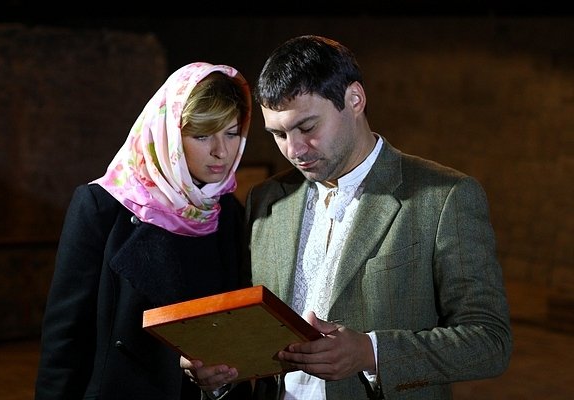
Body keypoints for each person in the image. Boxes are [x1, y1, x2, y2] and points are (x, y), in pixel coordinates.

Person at [243, 35, 512, 399]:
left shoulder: (444, 197)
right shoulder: (266, 199)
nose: (294, 149)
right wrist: (219, 376)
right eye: (278, 134)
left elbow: (490, 341)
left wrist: (371, 353)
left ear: (355, 99)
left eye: (307, 128)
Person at [35, 62, 253, 400]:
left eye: (232, 133)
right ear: (168, 134)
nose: (221, 151)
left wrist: (219, 381)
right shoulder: (103, 206)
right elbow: (65, 338)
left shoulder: (228, 212)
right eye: (202, 135)